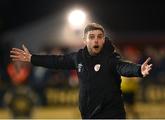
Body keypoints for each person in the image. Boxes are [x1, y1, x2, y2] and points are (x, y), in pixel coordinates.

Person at [10, 23, 152, 119]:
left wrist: (139, 70)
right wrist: (32, 58)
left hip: (112, 114)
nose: (96, 40)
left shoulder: (111, 58)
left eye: (99, 37)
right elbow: (56, 61)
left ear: (104, 40)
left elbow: (123, 67)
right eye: (92, 37)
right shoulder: (78, 58)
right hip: (89, 115)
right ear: (85, 40)